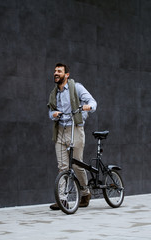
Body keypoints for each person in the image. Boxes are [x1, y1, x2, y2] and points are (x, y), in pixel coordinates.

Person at [47, 63, 97, 210]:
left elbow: (93, 102)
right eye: (55, 71)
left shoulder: (77, 87)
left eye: (59, 71)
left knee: (76, 164)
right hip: (60, 130)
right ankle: (62, 200)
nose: (56, 73)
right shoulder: (54, 93)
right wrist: (53, 114)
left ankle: (85, 192)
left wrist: (89, 107)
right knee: (62, 166)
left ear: (66, 75)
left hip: (75, 129)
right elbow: (50, 111)